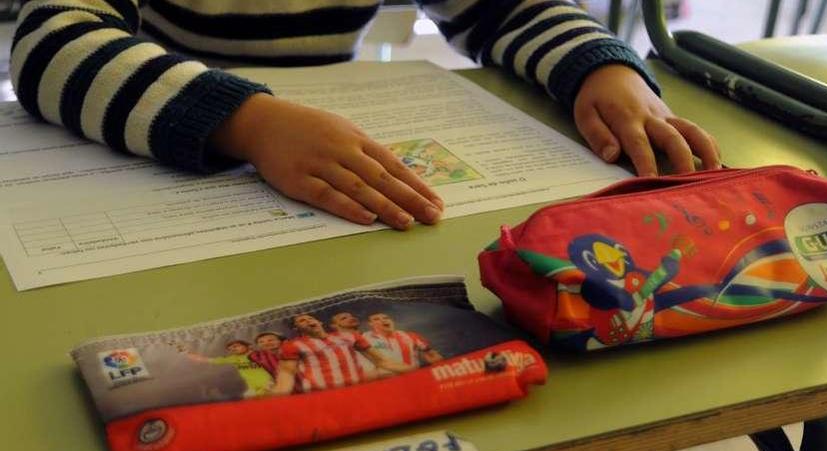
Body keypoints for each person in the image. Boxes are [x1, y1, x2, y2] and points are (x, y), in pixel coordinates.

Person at [12, 1, 721, 231]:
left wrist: (600, 66)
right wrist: (249, 122)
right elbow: (49, 44)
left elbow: (505, 6)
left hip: (325, 173)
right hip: (163, 170)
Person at [272, 313, 411, 394]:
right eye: (302, 321)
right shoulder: (292, 346)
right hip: (324, 396)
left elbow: (382, 361)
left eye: (311, 318)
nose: (308, 321)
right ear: (298, 328)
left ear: (319, 321)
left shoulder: (348, 336)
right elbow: (286, 377)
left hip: (358, 391)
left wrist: (415, 371)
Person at [186, 339, 273, 398]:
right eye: (230, 349)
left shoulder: (261, 354)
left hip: (269, 384)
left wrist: (272, 382)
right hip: (253, 388)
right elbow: (210, 360)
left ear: (249, 346)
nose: (233, 349)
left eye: (236, 346)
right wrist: (193, 356)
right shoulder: (233, 358)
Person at [364, 312, 442, 373]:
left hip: (414, 377)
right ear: (370, 324)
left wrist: (436, 366)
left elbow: (433, 355)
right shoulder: (365, 338)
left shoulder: (410, 336)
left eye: (386, 318)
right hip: (386, 382)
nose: (383, 320)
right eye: (376, 319)